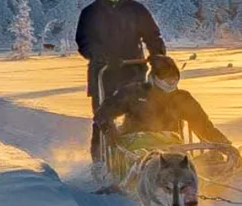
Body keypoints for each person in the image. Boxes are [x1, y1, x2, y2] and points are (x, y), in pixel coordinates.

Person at [76, 0, 166, 178]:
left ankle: (136, 157)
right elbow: (83, 41)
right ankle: (100, 162)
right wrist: (100, 55)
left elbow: (153, 36)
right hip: (104, 72)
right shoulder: (91, 12)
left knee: (138, 113)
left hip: (133, 70)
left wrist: (158, 57)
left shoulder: (137, 10)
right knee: (103, 117)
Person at [94, 54, 232, 148]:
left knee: (178, 164)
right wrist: (108, 129)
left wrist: (224, 145)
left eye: (173, 77)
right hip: (135, 146)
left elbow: (203, 125)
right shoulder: (134, 92)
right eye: (166, 77)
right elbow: (103, 112)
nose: (170, 81)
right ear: (154, 77)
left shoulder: (182, 98)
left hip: (171, 147)